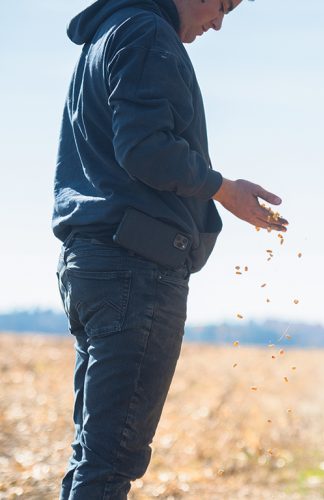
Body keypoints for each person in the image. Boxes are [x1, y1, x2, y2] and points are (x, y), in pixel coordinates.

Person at [53, 0, 287, 497]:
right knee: (109, 465)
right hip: (133, 269)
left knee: (93, 458)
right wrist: (224, 188)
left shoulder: (110, 33)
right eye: (222, 4)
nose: (219, 22)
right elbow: (146, 150)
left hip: (95, 264)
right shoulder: (146, 34)